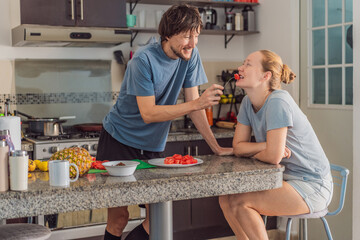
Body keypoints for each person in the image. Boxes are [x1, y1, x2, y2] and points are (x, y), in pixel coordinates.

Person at [96, 4, 233, 240]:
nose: (193, 42)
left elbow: (195, 106)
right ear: (168, 35)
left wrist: (216, 147)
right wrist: (197, 103)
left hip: (152, 145)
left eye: (196, 35)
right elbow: (149, 113)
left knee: (157, 219)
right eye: (187, 36)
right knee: (119, 218)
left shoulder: (190, 56)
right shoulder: (143, 59)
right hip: (119, 140)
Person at [219, 50, 333, 239]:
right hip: (285, 179)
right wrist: (264, 146)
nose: (240, 68)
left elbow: (272, 157)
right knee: (225, 198)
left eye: (248, 64)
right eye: (243, 63)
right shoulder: (248, 102)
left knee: (240, 202)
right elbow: (238, 147)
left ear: (266, 76)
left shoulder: (278, 101)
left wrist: (262, 150)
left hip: (312, 184)